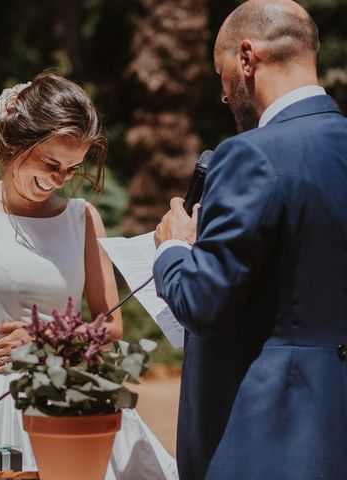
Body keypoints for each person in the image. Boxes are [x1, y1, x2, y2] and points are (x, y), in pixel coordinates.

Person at [0, 72, 178, 479]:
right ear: (16, 142)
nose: (58, 180)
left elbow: (110, 326)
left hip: (77, 399)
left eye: (71, 169)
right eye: (50, 163)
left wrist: (45, 338)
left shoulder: (84, 219)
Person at [152, 1, 347, 478]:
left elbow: (201, 303)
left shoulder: (250, 156)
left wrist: (174, 248)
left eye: (221, 80)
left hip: (263, 437)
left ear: (245, 58)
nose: (225, 97)